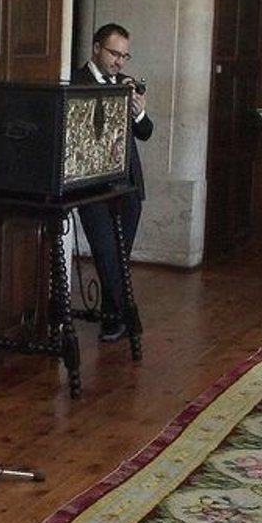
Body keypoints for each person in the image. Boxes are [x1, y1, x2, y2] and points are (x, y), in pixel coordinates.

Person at [72, 23, 155, 342]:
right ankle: (125, 314)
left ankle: (112, 319)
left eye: (125, 55)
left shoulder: (127, 85)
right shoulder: (75, 81)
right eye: (114, 53)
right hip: (91, 187)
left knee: (120, 254)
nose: (120, 62)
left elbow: (146, 132)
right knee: (106, 252)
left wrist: (138, 113)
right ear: (95, 48)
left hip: (128, 185)